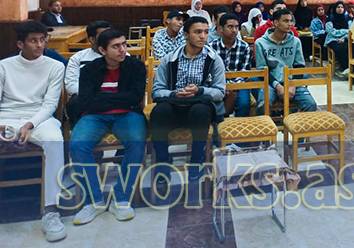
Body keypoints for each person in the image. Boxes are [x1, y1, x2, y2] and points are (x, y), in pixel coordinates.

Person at [70, 29, 147, 224]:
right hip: (94, 116)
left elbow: (135, 98)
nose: (123, 50)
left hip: (128, 114)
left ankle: (121, 198)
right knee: (77, 145)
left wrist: (102, 98)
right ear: (102, 50)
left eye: (124, 44)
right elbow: (86, 102)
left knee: (137, 142)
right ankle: (93, 200)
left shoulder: (136, 66)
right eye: (116, 46)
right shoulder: (89, 70)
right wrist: (118, 99)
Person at [0, 21, 67, 242]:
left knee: (55, 140)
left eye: (42, 40)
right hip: (6, 117)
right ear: (20, 44)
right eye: (33, 41)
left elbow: (50, 105)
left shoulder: (55, 67)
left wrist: (29, 124)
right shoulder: (4, 66)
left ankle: (51, 211)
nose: (40, 45)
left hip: (39, 118)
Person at [150, 16, 226, 182]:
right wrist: (174, 94)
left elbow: (220, 92)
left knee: (200, 110)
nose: (202, 36)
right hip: (174, 104)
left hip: (199, 106)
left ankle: (196, 161)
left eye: (206, 32)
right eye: (197, 32)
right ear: (185, 34)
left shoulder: (213, 59)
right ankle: (162, 162)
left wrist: (200, 90)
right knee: (159, 111)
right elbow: (156, 92)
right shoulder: (170, 59)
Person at [255, 8, 316, 114]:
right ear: (276, 23)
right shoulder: (261, 43)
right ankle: (267, 124)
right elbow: (262, 70)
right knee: (262, 104)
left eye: (291, 21)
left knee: (311, 104)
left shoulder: (295, 41)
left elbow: (299, 66)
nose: (290, 24)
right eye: (286, 21)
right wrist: (278, 86)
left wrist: (293, 85)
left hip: (291, 81)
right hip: (271, 83)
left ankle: (295, 124)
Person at [65, 21, 112, 121]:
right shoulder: (78, 58)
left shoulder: (122, 55)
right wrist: (95, 93)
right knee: (74, 103)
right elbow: (71, 87)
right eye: (103, 35)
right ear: (92, 39)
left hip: (114, 97)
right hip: (87, 98)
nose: (108, 38)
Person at [210, 13, 254, 117]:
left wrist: (232, 86)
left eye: (236, 27)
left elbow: (245, 71)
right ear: (221, 28)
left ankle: (241, 126)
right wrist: (224, 85)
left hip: (239, 83)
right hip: (218, 83)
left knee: (244, 103)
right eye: (230, 27)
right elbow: (210, 72)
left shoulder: (244, 47)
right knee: (210, 102)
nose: (234, 30)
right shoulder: (212, 47)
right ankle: (218, 124)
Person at [325, 1, 350, 76]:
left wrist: (344, 38)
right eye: (338, 7)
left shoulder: (347, 18)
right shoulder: (330, 18)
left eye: (342, 7)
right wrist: (344, 31)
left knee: (351, 46)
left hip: (345, 38)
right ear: (335, 8)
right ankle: (345, 66)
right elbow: (330, 31)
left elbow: (350, 30)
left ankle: (350, 67)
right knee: (340, 47)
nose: (340, 9)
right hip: (332, 39)